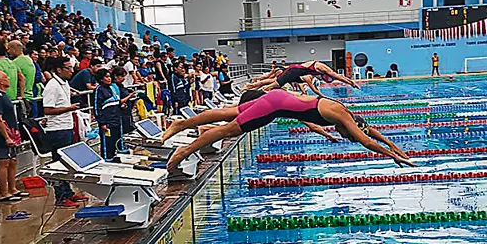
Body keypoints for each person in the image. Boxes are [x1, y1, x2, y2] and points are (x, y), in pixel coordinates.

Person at [163, 89, 415, 170]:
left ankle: (182, 124)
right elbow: (366, 141)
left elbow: (369, 132)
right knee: (228, 129)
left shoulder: (347, 113)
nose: (344, 136)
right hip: (273, 105)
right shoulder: (342, 117)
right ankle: (185, 150)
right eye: (347, 135)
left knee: (229, 112)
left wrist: (393, 145)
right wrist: (390, 156)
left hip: (276, 98)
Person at [41, 56, 83, 208]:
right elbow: (48, 109)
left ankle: (68, 192)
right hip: (57, 130)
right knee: (58, 164)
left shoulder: (64, 83)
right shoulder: (52, 85)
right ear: (59, 70)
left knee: (66, 163)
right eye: (69, 68)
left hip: (66, 127)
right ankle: (60, 197)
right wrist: (69, 108)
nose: (72, 71)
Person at [0, 70, 24, 202]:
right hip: (2, 134)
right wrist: (6, 137)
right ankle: (3, 192)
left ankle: (12, 188)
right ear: (0, 81)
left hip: (12, 131)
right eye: (6, 77)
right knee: (4, 162)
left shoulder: (4, 95)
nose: (9, 79)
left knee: (13, 161)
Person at [243, 59, 360, 95]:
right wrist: (351, 83)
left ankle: (250, 87)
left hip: (296, 74)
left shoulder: (318, 72)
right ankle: (252, 93)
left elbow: (338, 76)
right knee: (272, 85)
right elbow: (338, 76)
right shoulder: (324, 68)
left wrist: (350, 82)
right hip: (292, 71)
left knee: (271, 82)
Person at [93, 68, 125, 160]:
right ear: (101, 79)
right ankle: (108, 159)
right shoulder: (98, 90)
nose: (109, 79)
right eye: (106, 77)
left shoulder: (112, 88)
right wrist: (102, 123)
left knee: (117, 141)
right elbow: (97, 108)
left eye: (109, 76)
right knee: (108, 144)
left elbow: (116, 102)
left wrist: (122, 105)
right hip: (107, 123)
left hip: (117, 120)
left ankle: (116, 157)